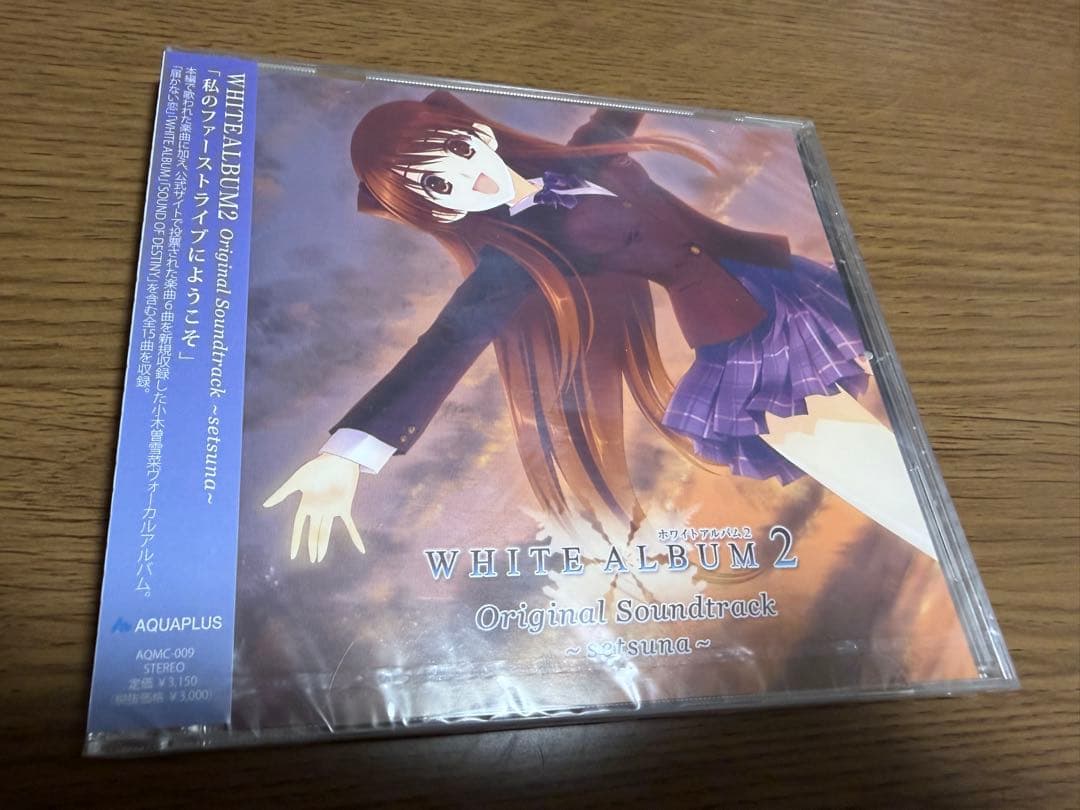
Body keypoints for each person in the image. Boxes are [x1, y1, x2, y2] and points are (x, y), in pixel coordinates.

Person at [264, 91, 934, 564]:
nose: (468, 178)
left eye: (459, 151)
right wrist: (347, 454)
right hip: (738, 337)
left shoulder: (577, 158)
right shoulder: (515, 257)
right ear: (433, 212)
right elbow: (448, 341)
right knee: (887, 480)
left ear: (478, 136)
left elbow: (620, 106)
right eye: (436, 186)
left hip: (781, 281)